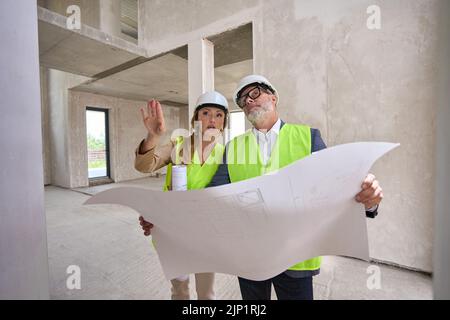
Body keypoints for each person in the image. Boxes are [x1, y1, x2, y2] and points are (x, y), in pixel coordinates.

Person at [207, 74, 384, 300]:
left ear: (273, 97)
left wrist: (368, 202)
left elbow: (338, 188)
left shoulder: (308, 138)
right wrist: (168, 218)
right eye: (243, 100)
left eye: (254, 93)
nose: (248, 101)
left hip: (296, 257)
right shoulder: (233, 147)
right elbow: (211, 198)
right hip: (250, 256)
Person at [134, 91, 229, 300]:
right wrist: (153, 136)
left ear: (224, 122)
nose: (212, 120)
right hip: (173, 233)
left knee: (206, 294)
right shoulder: (178, 145)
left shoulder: (226, 153)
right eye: (206, 113)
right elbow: (144, 165)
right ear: (196, 119)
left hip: (206, 235)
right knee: (180, 291)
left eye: (219, 115)